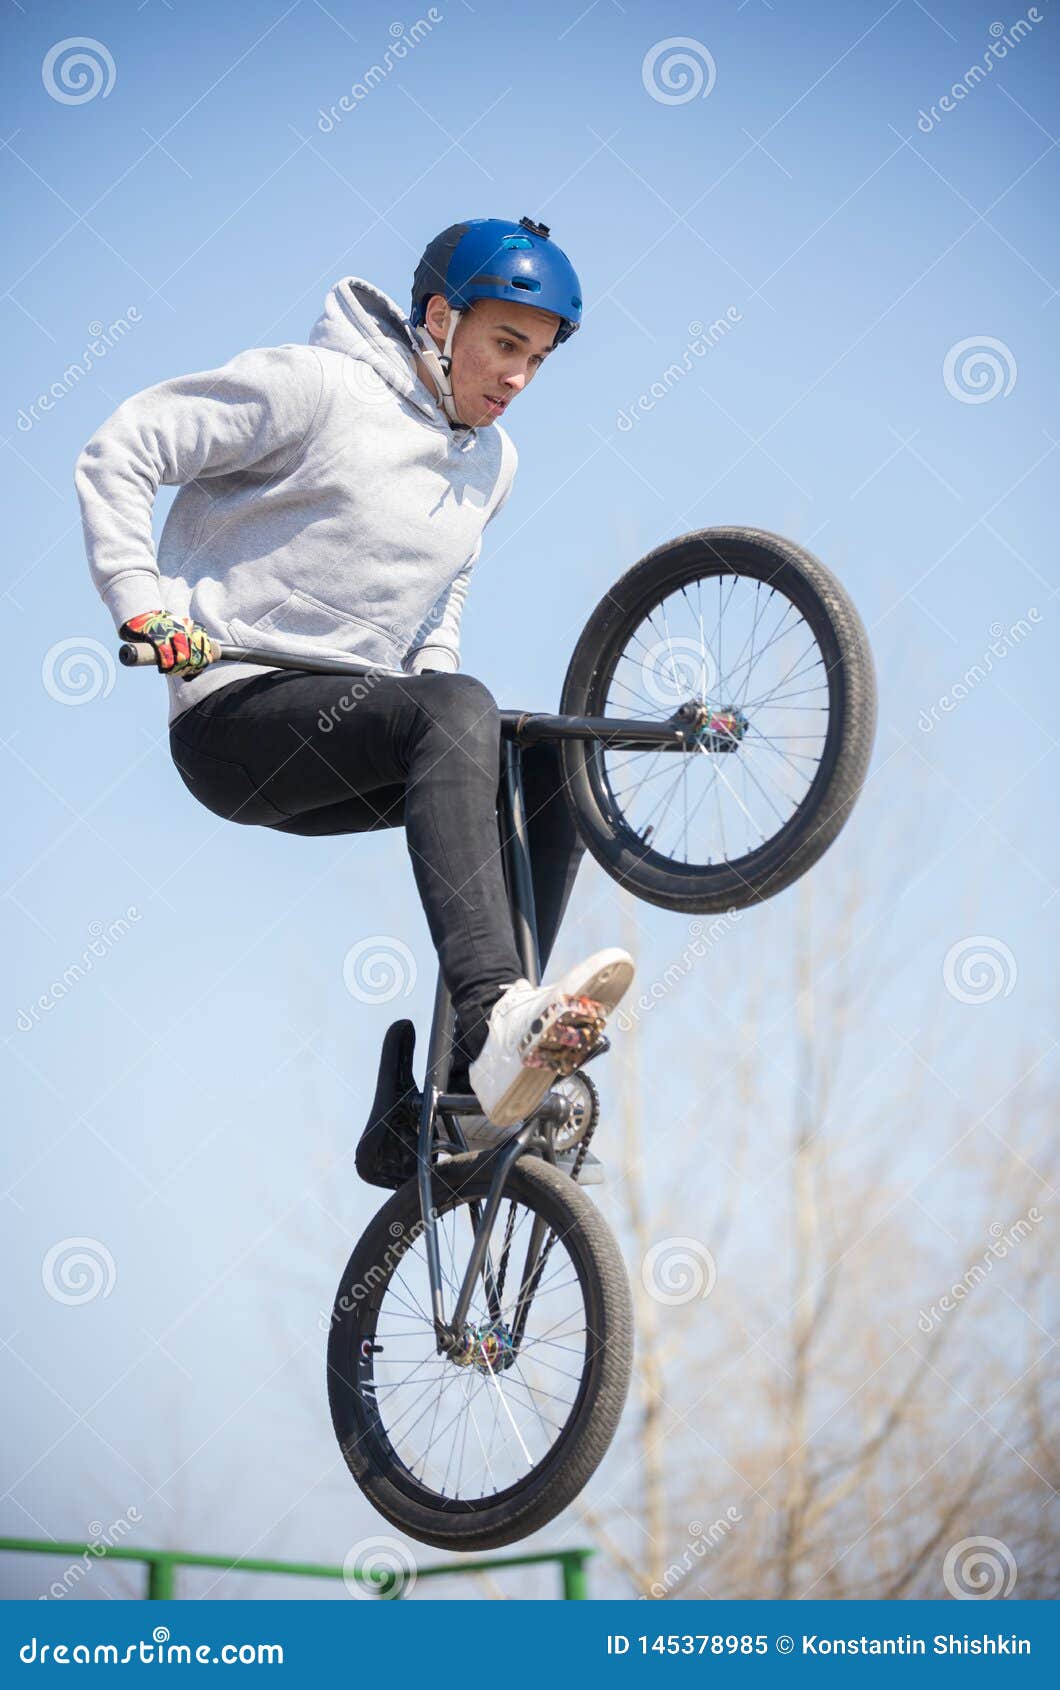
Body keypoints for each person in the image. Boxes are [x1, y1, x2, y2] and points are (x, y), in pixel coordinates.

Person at [74, 216, 634, 1175]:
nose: (515, 379)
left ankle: (462, 1095)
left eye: (537, 361)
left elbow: (444, 588)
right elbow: (123, 448)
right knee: (461, 708)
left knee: (539, 758)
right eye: (504, 345)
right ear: (438, 318)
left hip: (355, 730)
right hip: (235, 719)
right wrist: (141, 605)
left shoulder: (492, 466)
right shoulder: (315, 388)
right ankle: (501, 1006)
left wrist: (436, 688)